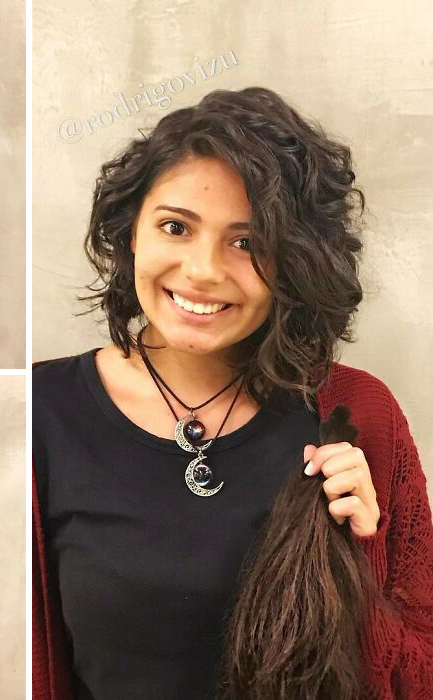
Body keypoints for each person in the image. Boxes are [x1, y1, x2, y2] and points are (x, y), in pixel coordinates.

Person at [32, 87, 433, 699]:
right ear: (131, 233)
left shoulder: (361, 417)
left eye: (246, 242)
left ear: (296, 262)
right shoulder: (40, 410)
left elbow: (419, 671)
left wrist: (362, 568)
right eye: (175, 227)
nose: (202, 271)